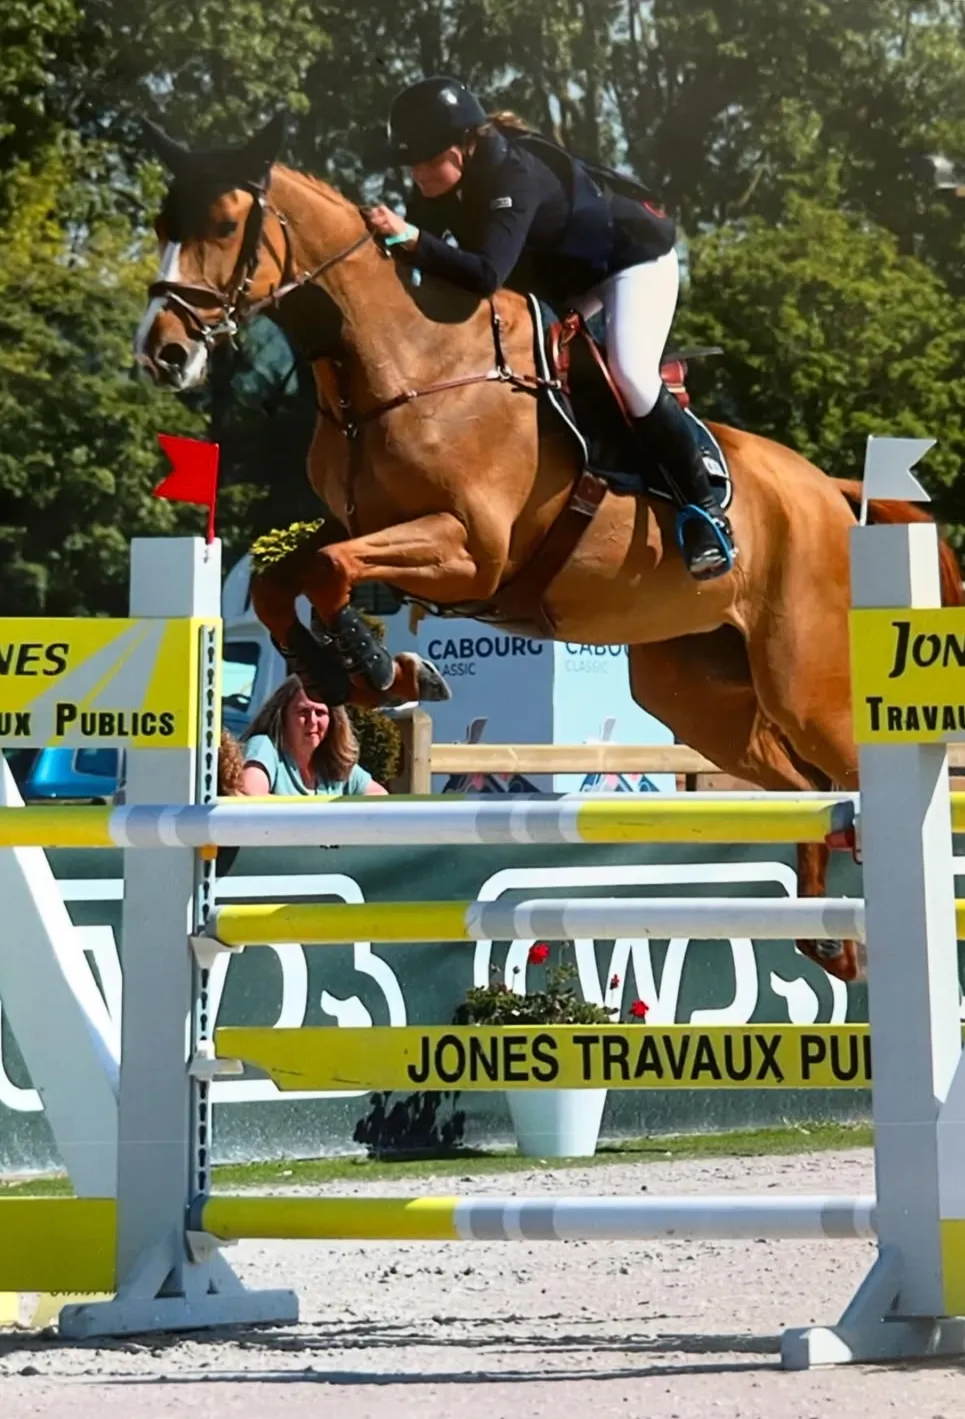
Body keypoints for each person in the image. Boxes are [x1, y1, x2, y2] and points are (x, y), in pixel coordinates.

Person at [363, 75, 736, 582]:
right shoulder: (440, 181)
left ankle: (704, 510)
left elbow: (484, 273)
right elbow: (423, 264)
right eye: (413, 163)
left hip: (628, 263)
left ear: (463, 147)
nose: (418, 174)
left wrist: (406, 237)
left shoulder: (514, 177)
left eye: (428, 160)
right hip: (559, 277)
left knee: (629, 371)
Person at [239, 676, 388, 797]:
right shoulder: (264, 747)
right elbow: (250, 795)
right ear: (282, 716)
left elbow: (380, 798)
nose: (312, 721)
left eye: (320, 713)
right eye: (303, 712)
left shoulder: (334, 765)